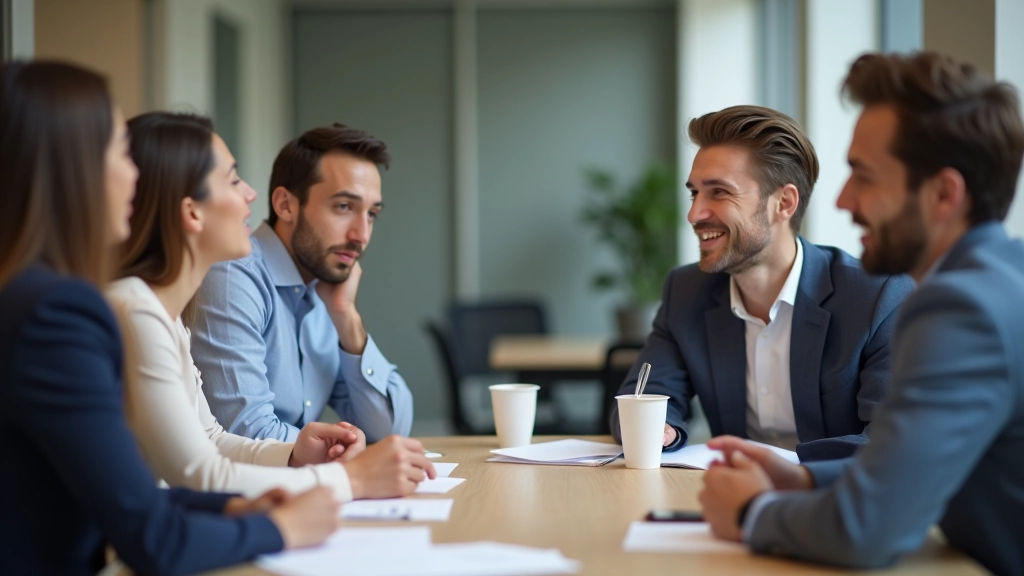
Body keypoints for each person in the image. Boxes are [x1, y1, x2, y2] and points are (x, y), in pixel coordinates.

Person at [0, 61, 338, 576]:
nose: (134, 175)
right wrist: (292, 521)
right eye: (119, 152)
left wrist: (237, 505)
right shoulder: (59, 314)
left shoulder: (43, 300)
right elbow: (152, 532)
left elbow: (137, 492)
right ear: (74, 168)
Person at [698, 52, 1024, 576]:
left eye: (864, 177)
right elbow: (911, 468)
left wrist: (750, 511)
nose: (844, 201)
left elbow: (867, 530)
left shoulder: (960, 310)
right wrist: (805, 479)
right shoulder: (1004, 277)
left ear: (944, 194)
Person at [108, 112, 435, 503]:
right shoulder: (152, 304)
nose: (361, 235)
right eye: (233, 179)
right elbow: (206, 466)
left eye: (372, 214)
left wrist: (296, 453)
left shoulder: (169, 316)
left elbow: (211, 439)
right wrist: (350, 479)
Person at [609, 105, 913, 460]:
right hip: (730, 491)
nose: (694, 214)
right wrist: (661, 429)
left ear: (783, 203)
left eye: (719, 192)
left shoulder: (876, 297)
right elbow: (639, 397)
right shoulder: (686, 291)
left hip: (829, 491)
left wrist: (789, 469)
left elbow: (892, 441)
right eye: (694, 193)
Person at [191, 124, 412, 443]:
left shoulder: (324, 289)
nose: (361, 235)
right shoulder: (234, 275)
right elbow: (247, 434)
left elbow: (390, 430)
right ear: (285, 205)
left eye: (371, 214)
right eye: (344, 207)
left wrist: (347, 317)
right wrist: (344, 456)